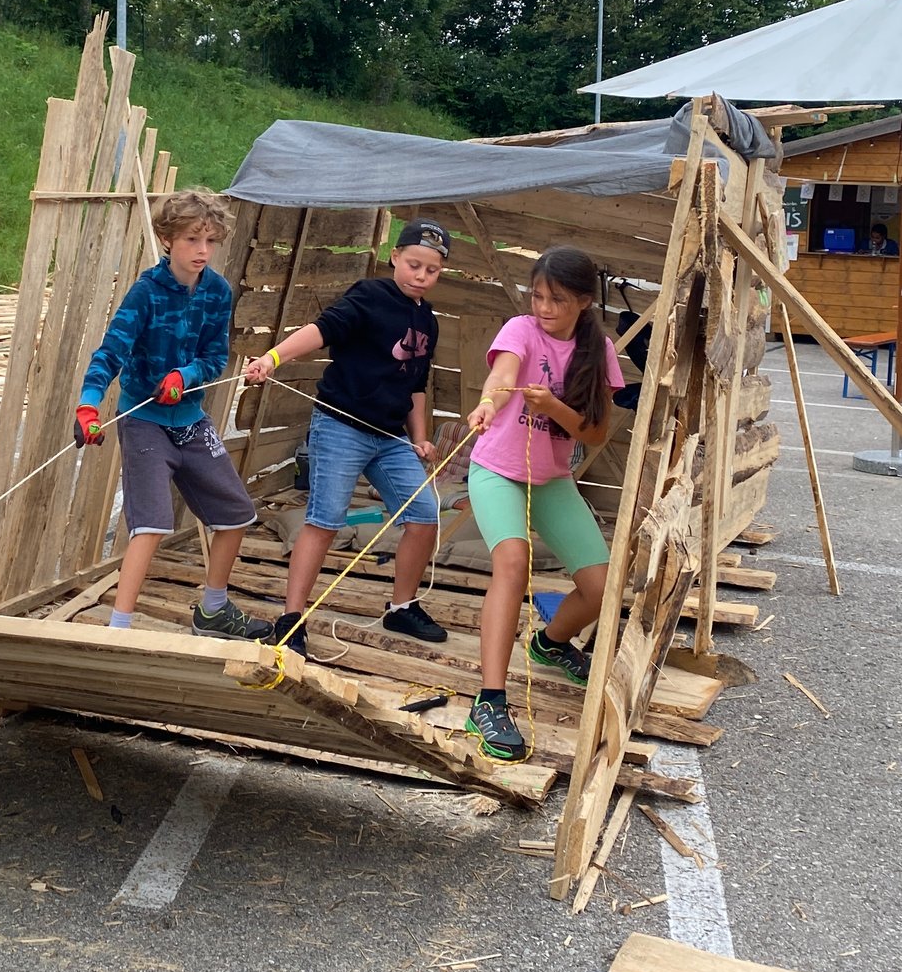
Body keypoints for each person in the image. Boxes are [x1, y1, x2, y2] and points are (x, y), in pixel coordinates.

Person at [241, 219, 451, 656]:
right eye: (414, 264)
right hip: (341, 427)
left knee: (425, 516)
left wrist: (421, 437)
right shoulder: (369, 296)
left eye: (432, 271)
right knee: (326, 519)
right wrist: (274, 357)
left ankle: (401, 605)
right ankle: (291, 618)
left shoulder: (428, 322)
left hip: (391, 437)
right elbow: (323, 330)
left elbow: (416, 385)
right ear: (395, 257)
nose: (421, 276)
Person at [73, 189, 268, 640]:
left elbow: (215, 357)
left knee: (237, 513)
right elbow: (110, 354)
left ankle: (214, 610)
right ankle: (119, 629)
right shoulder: (146, 293)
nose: (202, 251)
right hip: (144, 423)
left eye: (210, 241)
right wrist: (88, 404)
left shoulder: (217, 292)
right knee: (151, 524)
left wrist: (186, 374)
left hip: (191, 421)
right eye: (191, 240)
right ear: (167, 239)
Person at [460, 246, 625, 761]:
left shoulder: (599, 349)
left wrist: (553, 405)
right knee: (512, 561)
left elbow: (595, 431)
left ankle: (549, 644)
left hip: (551, 478)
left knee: (602, 587)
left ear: (581, 301)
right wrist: (489, 403)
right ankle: (489, 700)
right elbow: (502, 377)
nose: (543, 307)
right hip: (497, 471)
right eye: (537, 295)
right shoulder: (520, 329)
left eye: (555, 299)